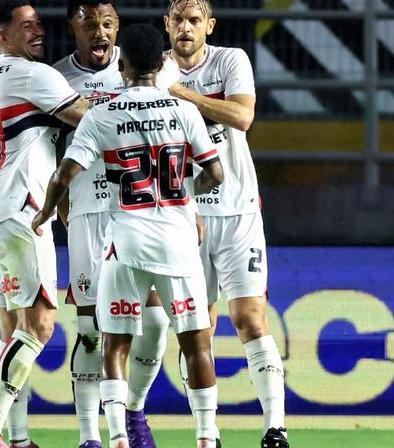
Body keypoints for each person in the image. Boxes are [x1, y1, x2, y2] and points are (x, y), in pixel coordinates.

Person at [32, 23, 224, 448]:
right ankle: (207, 437)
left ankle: (117, 436)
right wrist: (182, 196)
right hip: (178, 240)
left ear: (122, 66)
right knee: (196, 341)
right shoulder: (186, 111)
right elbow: (215, 172)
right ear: (162, 63)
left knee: (114, 342)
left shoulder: (103, 114)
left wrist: (46, 210)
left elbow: (65, 174)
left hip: (125, 240)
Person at [0, 1, 91, 448]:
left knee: (16, 330)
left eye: (39, 24)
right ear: (1, 37)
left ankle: (16, 440)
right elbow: (90, 119)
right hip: (23, 216)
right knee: (39, 326)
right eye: (26, 26)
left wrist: (3, 178)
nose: (38, 31)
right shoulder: (35, 76)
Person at [163, 1, 290, 447]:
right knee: (197, 329)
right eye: (177, 19)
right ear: (166, 24)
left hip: (237, 211)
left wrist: (184, 95)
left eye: (194, 20)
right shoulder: (151, 71)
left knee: (251, 319)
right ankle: (208, 434)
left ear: (209, 26)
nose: (185, 27)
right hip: (183, 217)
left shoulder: (231, 60)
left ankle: (275, 428)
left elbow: (243, 116)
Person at [50, 2, 176, 447]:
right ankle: (89, 436)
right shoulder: (55, 79)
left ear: (117, 26)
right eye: (89, 25)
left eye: (107, 23)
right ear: (73, 28)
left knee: (158, 321)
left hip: (144, 214)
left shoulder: (143, 67)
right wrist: (58, 200)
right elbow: (44, 146)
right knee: (89, 328)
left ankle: (135, 411)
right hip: (87, 213)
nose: (99, 32)